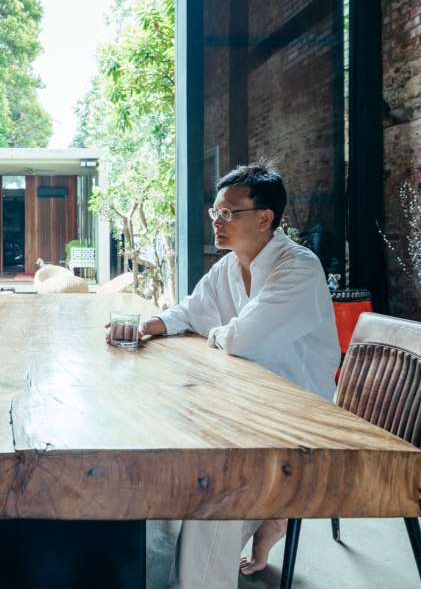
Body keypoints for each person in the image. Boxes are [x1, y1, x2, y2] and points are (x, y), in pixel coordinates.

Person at [136, 160, 339, 588]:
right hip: (244, 406)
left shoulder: (297, 268)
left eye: (229, 213)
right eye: (215, 212)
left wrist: (214, 332)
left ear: (265, 218)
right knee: (157, 433)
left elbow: (241, 339)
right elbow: (192, 310)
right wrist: (149, 325)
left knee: (219, 497)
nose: (217, 221)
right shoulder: (228, 267)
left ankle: (267, 511)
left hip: (296, 423)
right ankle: (269, 513)